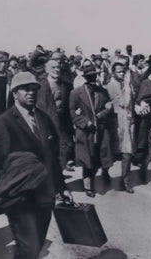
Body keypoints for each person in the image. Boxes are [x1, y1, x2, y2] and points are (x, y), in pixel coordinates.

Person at [0, 71, 73, 259]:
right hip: (19, 197)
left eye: (34, 89)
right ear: (15, 93)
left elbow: (53, 158)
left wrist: (62, 187)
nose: (31, 92)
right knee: (28, 246)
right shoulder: (3, 122)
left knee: (35, 246)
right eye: (25, 89)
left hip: (44, 195)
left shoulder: (44, 119)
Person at [70, 65, 114, 197]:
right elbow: (72, 111)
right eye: (90, 76)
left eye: (95, 75)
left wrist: (101, 115)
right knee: (87, 160)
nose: (93, 78)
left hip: (100, 129)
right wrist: (85, 122)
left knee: (99, 156)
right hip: (85, 131)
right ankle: (88, 186)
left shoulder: (102, 92)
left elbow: (109, 107)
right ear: (85, 77)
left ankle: (102, 174)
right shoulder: (76, 93)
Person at [37, 58, 75, 171]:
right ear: (47, 69)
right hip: (47, 122)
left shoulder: (66, 84)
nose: (57, 70)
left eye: (58, 67)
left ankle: (61, 177)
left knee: (63, 149)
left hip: (63, 122)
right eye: (53, 67)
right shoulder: (40, 86)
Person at [106, 62, 135, 193]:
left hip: (126, 121)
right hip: (113, 121)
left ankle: (126, 181)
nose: (122, 74)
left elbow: (130, 102)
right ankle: (105, 173)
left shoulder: (127, 85)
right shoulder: (110, 86)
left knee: (127, 152)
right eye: (119, 72)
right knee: (110, 151)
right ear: (113, 73)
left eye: (123, 71)